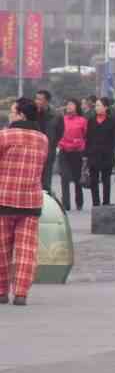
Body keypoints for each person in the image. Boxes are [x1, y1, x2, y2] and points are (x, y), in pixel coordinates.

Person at [0, 98, 49, 306]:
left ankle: (1, 291)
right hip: (31, 201)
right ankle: (21, 293)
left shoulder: (4, 136)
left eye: (12, 111)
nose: (10, 115)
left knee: (2, 248)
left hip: (4, 197)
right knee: (26, 249)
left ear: (21, 115)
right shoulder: (43, 139)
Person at [85, 98, 115, 207]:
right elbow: (88, 137)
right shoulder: (91, 120)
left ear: (106, 107)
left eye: (99, 106)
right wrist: (87, 153)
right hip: (93, 154)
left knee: (106, 180)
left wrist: (109, 150)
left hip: (106, 155)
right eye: (96, 106)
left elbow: (114, 139)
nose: (97, 108)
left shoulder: (112, 121)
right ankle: (96, 202)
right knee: (93, 180)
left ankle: (106, 202)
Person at [58, 99, 87, 211]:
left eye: (71, 104)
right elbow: (57, 133)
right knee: (64, 178)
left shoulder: (82, 120)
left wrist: (79, 143)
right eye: (68, 104)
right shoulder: (62, 119)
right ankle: (66, 204)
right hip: (64, 151)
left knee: (76, 178)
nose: (69, 106)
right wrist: (60, 143)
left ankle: (79, 202)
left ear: (77, 107)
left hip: (77, 152)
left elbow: (85, 136)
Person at [34, 89, 64, 194]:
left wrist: (52, 144)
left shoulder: (56, 115)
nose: (37, 101)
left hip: (48, 151)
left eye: (40, 99)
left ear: (47, 101)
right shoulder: (32, 114)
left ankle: (46, 201)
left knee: (46, 180)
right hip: (33, 150)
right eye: (36, 98)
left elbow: (60, 132)